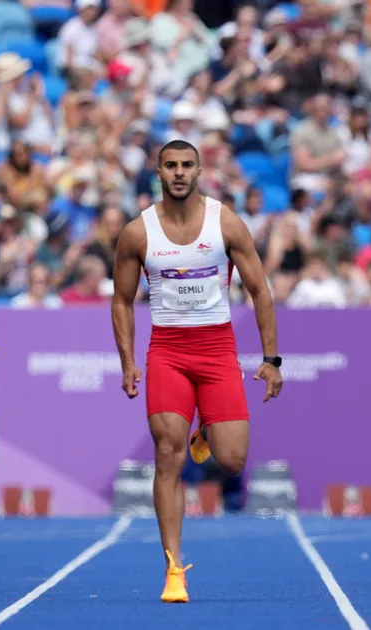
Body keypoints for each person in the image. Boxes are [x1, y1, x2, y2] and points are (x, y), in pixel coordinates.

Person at [110, 139, 283, 604]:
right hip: (167, 351)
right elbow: (122, 301)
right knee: (167, 452)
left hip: (217, 350)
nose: (180, 173)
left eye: (187, 165)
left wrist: (271, 359)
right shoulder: (138, 232)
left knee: (231, 461)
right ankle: (172, 567)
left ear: (200, 170)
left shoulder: (224, 221)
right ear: (159, 172)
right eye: (171, 166)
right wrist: (127, 361)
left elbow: (260, 292)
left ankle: (205, 424)